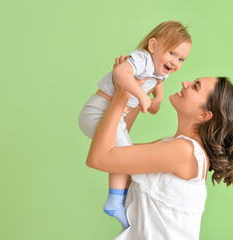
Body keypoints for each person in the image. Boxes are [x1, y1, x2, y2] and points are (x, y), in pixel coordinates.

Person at [86, 56, 233, 239]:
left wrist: (121, 95)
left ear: (204, 114)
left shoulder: (184, 152)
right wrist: (133, 92)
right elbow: (118, 150)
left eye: (195, 86)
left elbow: (99, 158)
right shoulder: (176, 146)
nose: (185, 83)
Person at [78, 21, 192, 228]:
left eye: (181, 58)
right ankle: (115, 200)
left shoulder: (161, 74)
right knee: (122, 154)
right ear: (153, 46)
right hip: (97, 112)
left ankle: (119, 199)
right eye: (172, 53)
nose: (175, 62)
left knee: (124, 153)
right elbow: (120, 73)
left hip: (113, 116)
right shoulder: (143, 60)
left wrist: (155, 99)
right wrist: (140, 94)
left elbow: (152, 107)